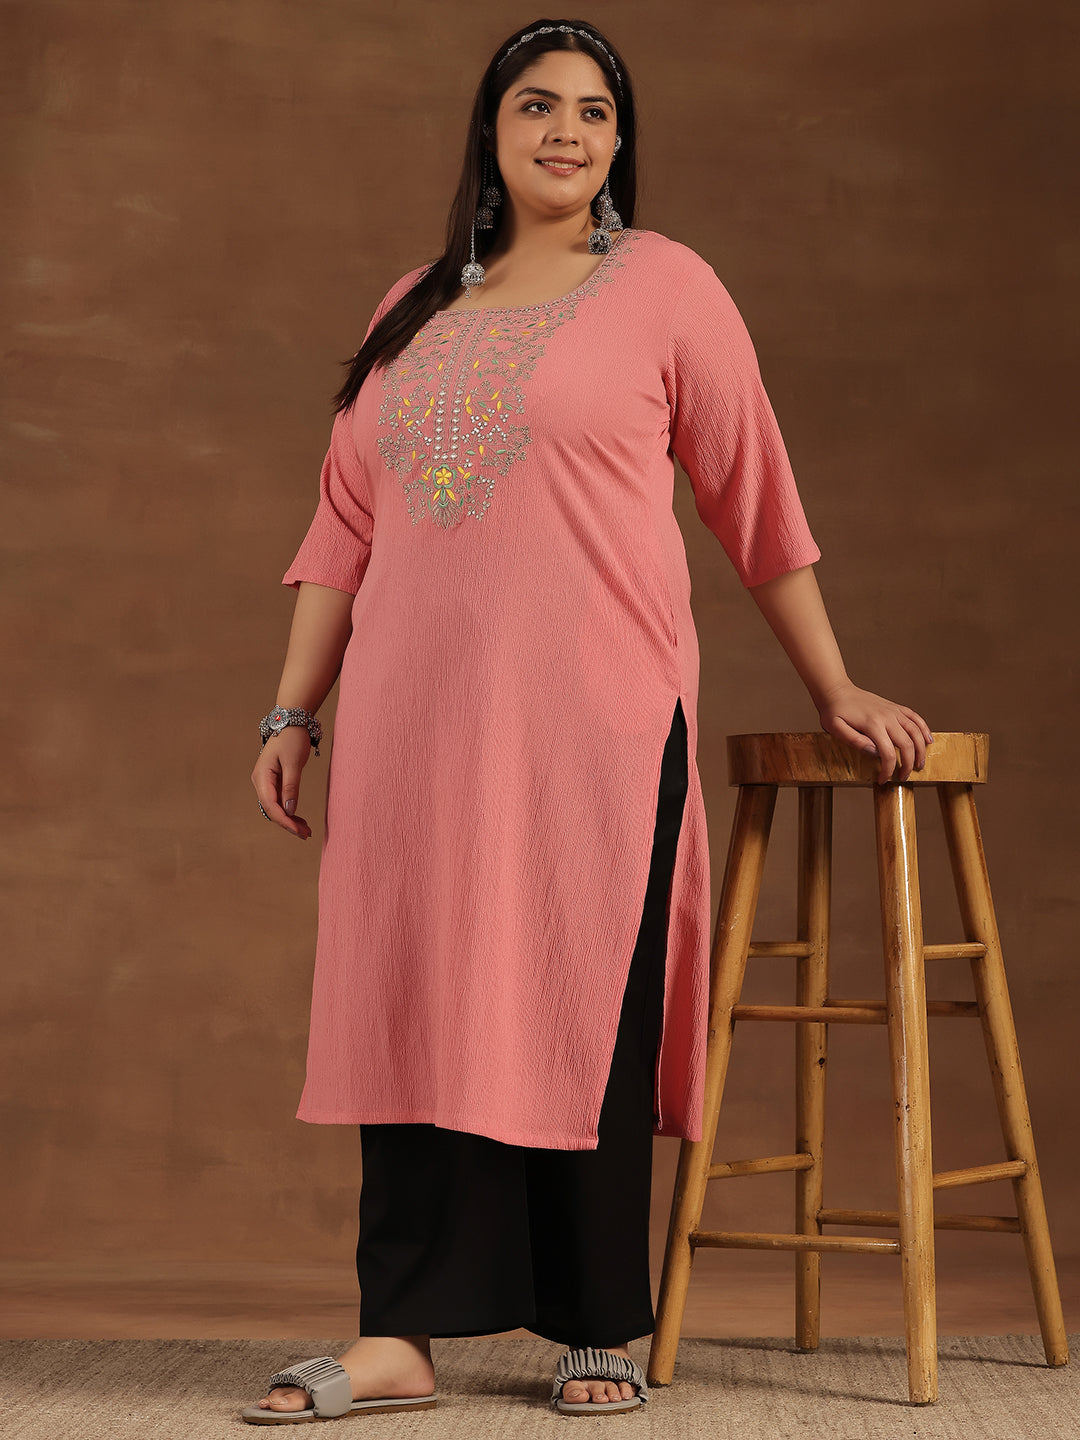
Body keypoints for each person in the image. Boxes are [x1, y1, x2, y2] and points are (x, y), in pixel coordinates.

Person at [244, 19, 933, 1423]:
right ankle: (399, 1337)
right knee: (416, 995)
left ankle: (596, 1323)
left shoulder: (667, 286)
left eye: (595, 113)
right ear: (489, 131)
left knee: (583, 996)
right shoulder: (413, 304)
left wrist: (835, 685)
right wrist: (292, 710)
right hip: (415, 731)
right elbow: (344, 525)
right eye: (538, 106)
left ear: (619, 143)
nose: (567, 132)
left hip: (594, 724)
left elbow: (754, 498)